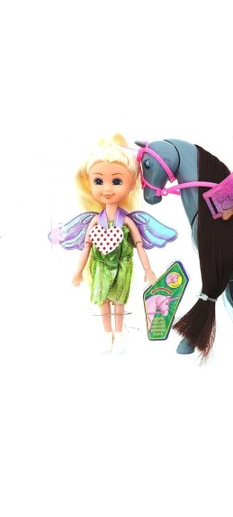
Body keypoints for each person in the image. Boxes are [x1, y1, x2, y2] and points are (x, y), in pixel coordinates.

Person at [72, 134, 157, 354]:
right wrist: (79, 271)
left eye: (117, 181)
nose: (107, 189)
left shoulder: (127, 221)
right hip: (100, 267)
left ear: (131, 185)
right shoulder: (94, 221)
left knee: (119, 301)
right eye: (98, 181)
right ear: (89, 182)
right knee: (103, 300)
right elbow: (86, 247)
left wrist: (148, 269)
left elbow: (139, 244)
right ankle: (106, 334)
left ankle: (118, 335)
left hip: (122, 267)